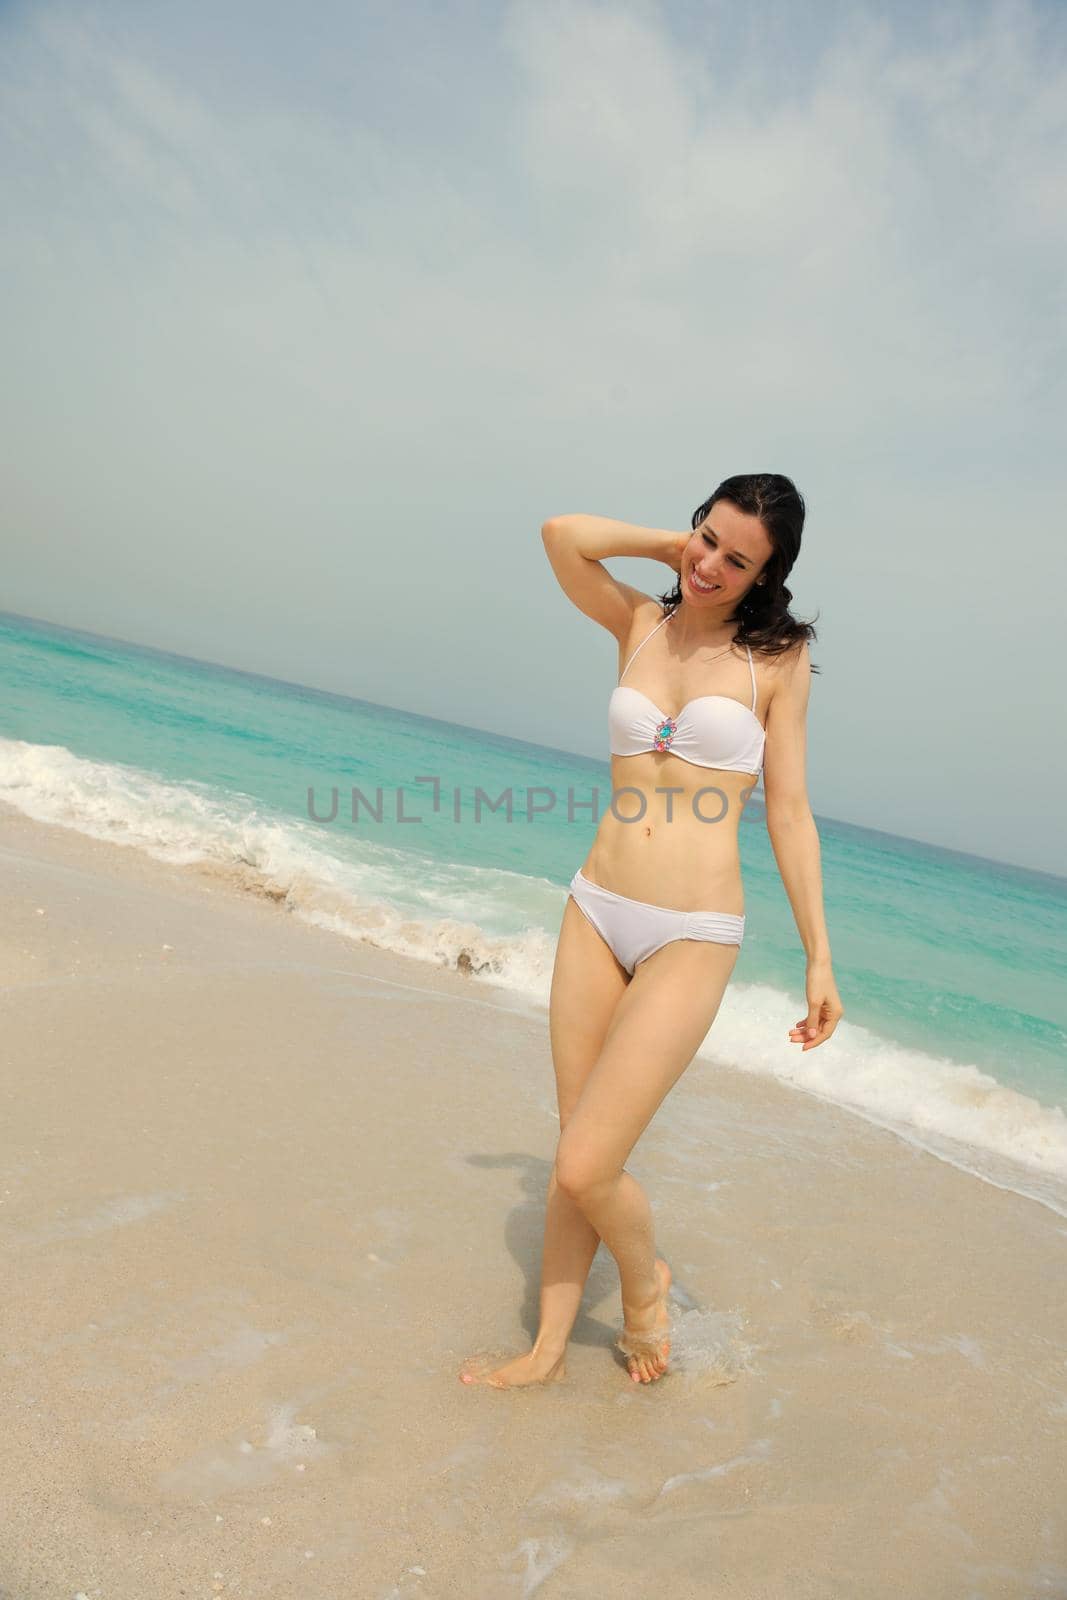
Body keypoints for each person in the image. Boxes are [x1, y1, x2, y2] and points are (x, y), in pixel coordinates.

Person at [460, 474, 844, 1390]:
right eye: (705, 539)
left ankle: (643, 1288)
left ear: (767, 573)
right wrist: (666, 546)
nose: (710, 564)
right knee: (570, 1155)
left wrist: (818, 955)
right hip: (596, 906)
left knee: (591, 1164)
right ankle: (547, 1349)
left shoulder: (776, 664)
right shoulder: (639, 623)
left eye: (735, 558)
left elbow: (789, 814)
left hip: (690, 931)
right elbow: (561, 532)